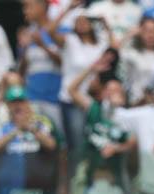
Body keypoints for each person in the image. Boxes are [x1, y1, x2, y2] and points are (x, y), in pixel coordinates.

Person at [67, 57, 136, 194]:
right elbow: (71, 89)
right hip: (92, 178)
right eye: (110, 90)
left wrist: (117, 147)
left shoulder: (128, 116)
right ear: (103, 92)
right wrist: (91, 69)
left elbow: (134, 142)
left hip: (117, 179)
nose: (113, 94)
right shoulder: (94, 108)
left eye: (118, 91)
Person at [50, 2, 109, 168]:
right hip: (71, 99)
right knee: (77, 143)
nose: (82, 23)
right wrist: (68, 9)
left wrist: (106, 25)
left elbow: (113, 49)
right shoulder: (70, 41)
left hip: (93, 99)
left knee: (96, 140)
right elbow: (50, 30)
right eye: (78, 21)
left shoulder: (100, 44)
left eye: (85, 20)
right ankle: (77, 179)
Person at [19, 0, 64, 129]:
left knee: (59, 141)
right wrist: (24, 49)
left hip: (55, 98)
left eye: (28, 6)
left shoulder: (59, 30)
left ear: (43, 7)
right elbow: (21, 72)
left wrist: (42, 45)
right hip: (31, 98)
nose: (25, 11)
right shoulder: (28, 33)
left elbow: (65, 64)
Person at [120, 17, 154, 106]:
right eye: (147, 31)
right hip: (136, 103)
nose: (151, 35)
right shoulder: (132, 54)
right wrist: (129, 35)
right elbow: (115, 53)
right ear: (140, 33)